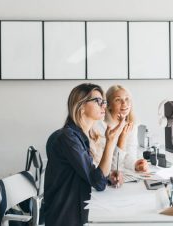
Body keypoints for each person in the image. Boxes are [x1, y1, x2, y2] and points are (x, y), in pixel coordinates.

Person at [43, 83, 125, 226]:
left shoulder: (77, 136)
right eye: (98, 101)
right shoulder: (68, 138)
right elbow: (97, 182)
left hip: (74, 211)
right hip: (65, 218)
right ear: (81, 106)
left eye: (104, 101)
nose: (104, 105)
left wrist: (108, 177)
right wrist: (111, 142)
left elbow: (92, 175)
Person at [93, 85, 148, 172]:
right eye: (118, 100)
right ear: (109, 105)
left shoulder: (131, 126)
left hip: (121, 175)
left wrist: (136, 164)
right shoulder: (100, 127)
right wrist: (122, 138)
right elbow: (111, 167)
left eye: (127, 99)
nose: (124, 103)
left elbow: (129, 155)